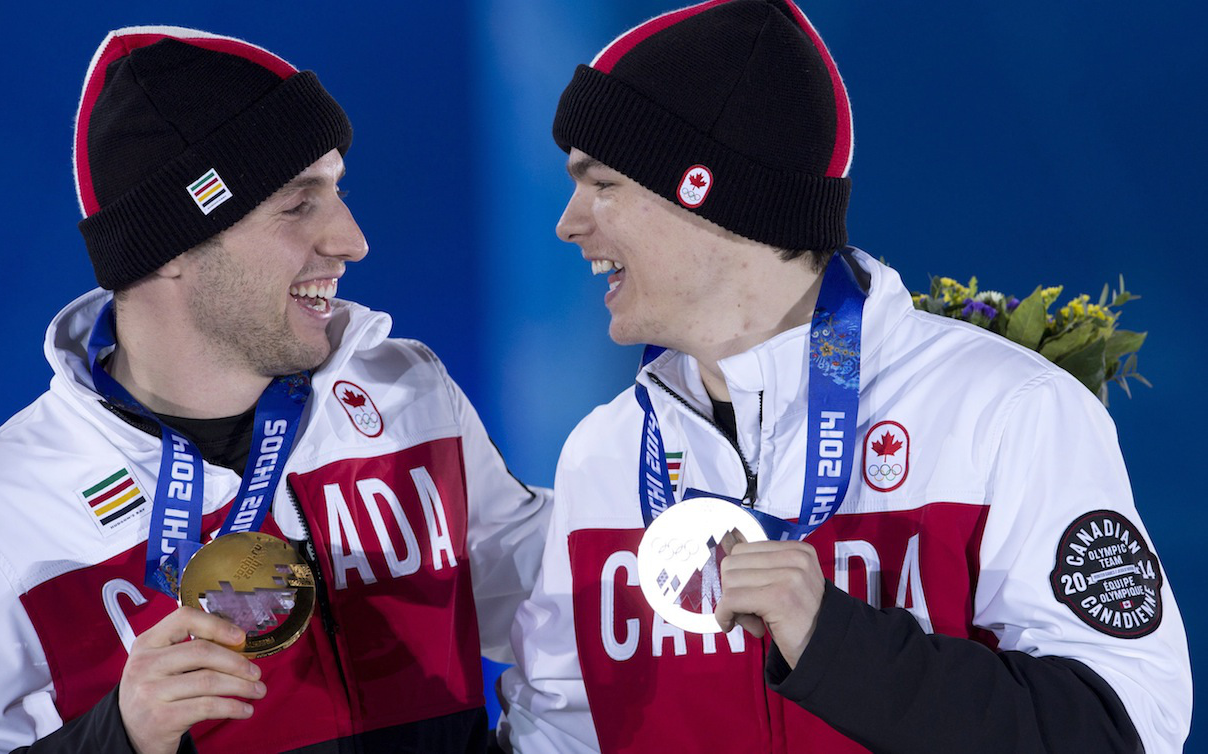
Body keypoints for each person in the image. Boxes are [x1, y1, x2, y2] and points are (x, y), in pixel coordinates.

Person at [499, 1, 1191, 752]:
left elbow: (1123, 728)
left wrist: (838, 644)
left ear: (705, 190)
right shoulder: (603, 455)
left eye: (602, 183)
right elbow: (555, 733)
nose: (569, 223)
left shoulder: (1005, 413)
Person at [0, 26, 549, 753]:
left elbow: (561, 612)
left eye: (337, 191)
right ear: (171, 246)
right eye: (299, 204)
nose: (352, 240)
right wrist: (118, 737)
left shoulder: (407, 395)